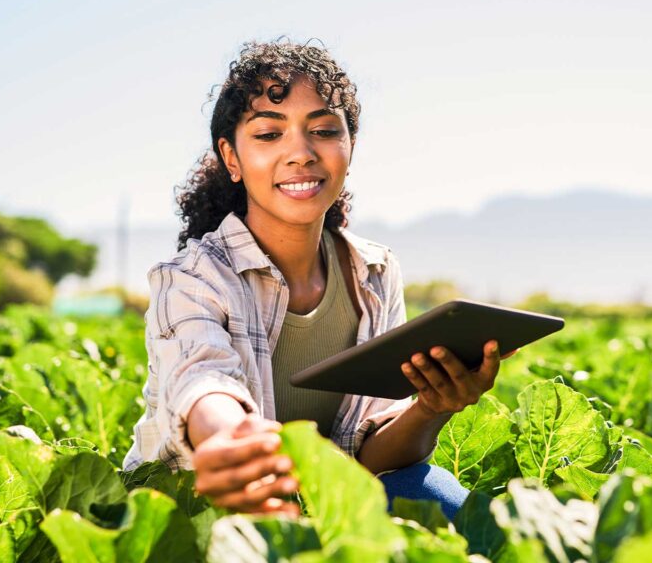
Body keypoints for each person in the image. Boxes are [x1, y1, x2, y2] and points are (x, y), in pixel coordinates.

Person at [123, 39, 512, 520]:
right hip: (199, 507)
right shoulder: (192, 277)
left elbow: (365, 457)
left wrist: (431, 408)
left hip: (319, 503)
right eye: (268, 135)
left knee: (440, 499)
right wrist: (229, 440)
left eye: (324, 130)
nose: (301, 153)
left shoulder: (374, 271)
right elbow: (201, 378)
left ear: (350, 146)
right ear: (231, 158)